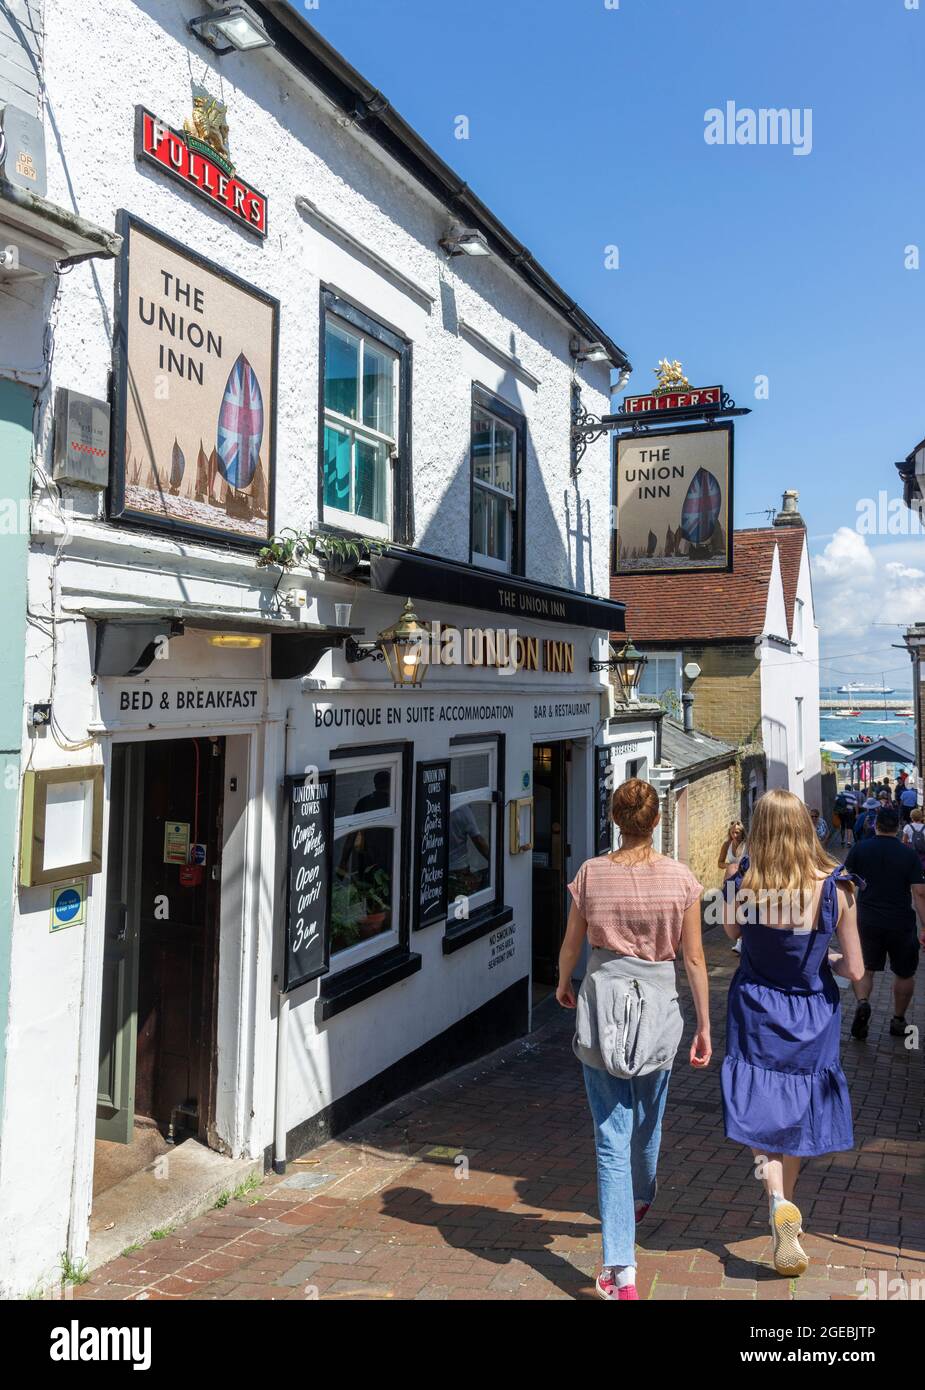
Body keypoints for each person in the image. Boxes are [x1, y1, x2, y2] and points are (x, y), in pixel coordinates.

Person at [557, 778, 711, 1302]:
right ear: (657, 819)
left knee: (610, 1136)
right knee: (648, 1118)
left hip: (602, 1004)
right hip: (659, 1008)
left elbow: (572, 943)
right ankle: (639, 1201)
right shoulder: (681, 880)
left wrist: (562, 981)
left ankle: (621, 1269)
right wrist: (705, 1024)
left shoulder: (590, 874)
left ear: (615, 819)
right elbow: (694, 957)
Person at [722, 789, 864, 1278]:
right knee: (800, 1109)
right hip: (812, 1013)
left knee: (759, 1106)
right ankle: (788, 1213)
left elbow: (731, 934)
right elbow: (856, 970)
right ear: (806, 827)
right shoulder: (837, 888)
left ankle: (777, 1200)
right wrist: (827, 957)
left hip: (756, 1007)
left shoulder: (743, 881)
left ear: (759, 828)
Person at [845, 804, 925, 1041]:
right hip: (901, 922)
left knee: (865, 968)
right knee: (905, 973)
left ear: (875, 825)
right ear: (898, 827)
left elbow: (845, 883)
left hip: (867, 920)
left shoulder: (860, 849)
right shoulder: (909, 855)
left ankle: (862, 1002)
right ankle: (898, 1020)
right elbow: (919, 893)